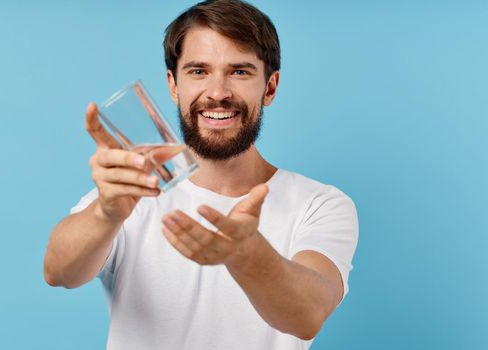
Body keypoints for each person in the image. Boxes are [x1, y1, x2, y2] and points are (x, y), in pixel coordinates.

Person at [43, 0, 359, 349]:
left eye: (239, 71)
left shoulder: (319, 204)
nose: (218, 92)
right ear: (173, 85)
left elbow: (307, 315)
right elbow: (59, 272)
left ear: (269, 87)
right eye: (198, 71)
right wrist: (106, 213)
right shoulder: (131, 192)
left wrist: (246, 253)